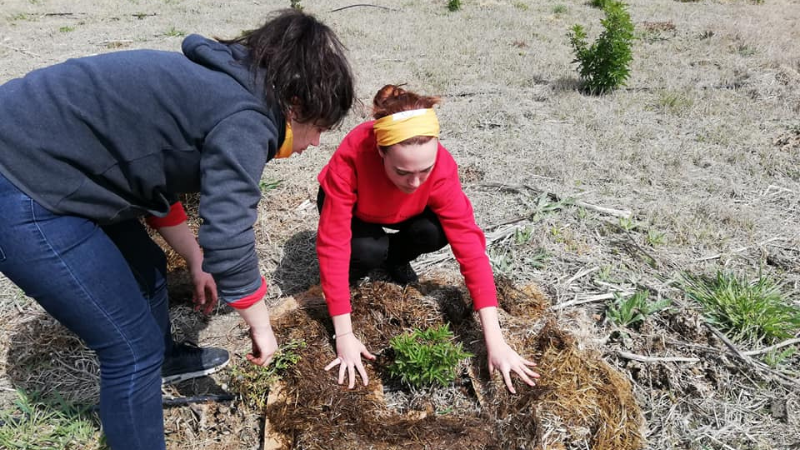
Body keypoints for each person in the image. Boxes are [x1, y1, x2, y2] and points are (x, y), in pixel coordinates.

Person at [0, 9, 354, 450]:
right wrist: (263, 330)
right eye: (318, 127)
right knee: (129, 351)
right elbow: (230, 239)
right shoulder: (248, 118)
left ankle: (165, 359)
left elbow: (150, 167)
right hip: (22, 181)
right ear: (295, 105)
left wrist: (193, 257)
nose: (316, 143)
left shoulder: (221, 81)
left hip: (52, 158)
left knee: (145, 263)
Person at [316, 85, 539, 393]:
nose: (416, 182)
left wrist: (496, 341)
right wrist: (344, 335)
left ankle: (394, 258)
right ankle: (361, 269)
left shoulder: (442, 171)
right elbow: (333, 244)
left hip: (403, 213)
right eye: (403, 172)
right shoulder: (353, 155)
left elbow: (470, 250)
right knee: (367, 250)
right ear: (380, 151)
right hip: (358, 214)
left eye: (425, 170)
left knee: (435, 231)